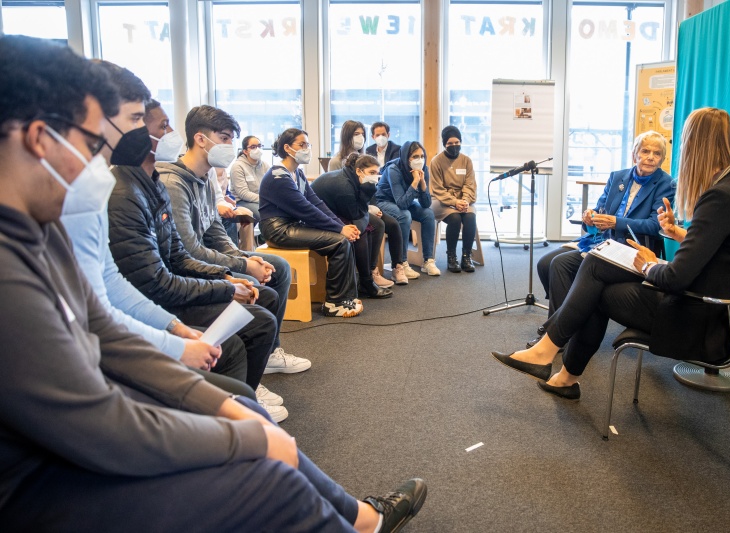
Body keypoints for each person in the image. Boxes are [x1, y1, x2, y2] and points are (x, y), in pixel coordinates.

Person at [0, 35, 427, 532]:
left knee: (242, 412)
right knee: (268, 475)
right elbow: (95, 421)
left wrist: (220, 406)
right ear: (37, 139)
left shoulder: (40, 232)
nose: (99, 165)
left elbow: (105, 331)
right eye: (92, 145)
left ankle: (362, 521)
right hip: (35, 482)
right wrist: (243, 438)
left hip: (70, 440)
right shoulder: (13, 266)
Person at [492, 107, 730, 401]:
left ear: (695, 146)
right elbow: (721, 250)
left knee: (596, 277)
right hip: (716, 310)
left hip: (695, 316)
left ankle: (550, 356)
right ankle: (558, 370)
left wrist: (650, 266)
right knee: (596, 267)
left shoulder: (719, 197)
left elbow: (675, 278)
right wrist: (679, 234)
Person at [59, 65, 255, 402]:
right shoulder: (109, 191)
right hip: (90, 364)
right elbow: (106, 307)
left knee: (244, 404)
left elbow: (110, 283)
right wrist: (175, 340)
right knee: (240, 400)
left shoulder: (103, 183)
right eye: (136, 118)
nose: (148, 130)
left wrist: (175, 329)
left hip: (114, 334)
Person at [105, 94, 279, 412]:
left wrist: (233, 272)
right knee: (247, 331)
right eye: (164, 126)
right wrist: (228, 282)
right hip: (158, 301)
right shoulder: (129, 192)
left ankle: (242, 402)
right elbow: (156, 280)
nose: (171, 134)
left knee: (259, 303)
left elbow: (180, 254)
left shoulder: (152, 185)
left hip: (169, 288)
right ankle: (238, 408)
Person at [157, 104, 311, 381]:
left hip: (203, 257)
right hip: (187, 269)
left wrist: (247, 258)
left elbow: (216, 233)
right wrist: (242, 265)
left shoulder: (204, 179)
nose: (230, 145)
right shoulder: (174, 183)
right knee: (262, 290)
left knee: (277, 266)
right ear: (201, 139)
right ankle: (252, 366)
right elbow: (188, 250)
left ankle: (270, 353)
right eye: (225, 138)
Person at [528, 130, 675, 348]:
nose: (650, 157)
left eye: (657, 153)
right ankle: (568, 323)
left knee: (560, 264)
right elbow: (600, 210)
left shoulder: (666, 184)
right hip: (602, 242)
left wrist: (617, 222)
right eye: (645, 151)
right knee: (545, 263)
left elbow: (655, 226)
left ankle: (556, 334)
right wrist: (590, 216)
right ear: (635, 154)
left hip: (634, 251)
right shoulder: (618, 177)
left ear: (662, 159)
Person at [259, 128, 364, 317]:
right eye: (302, 144)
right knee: (339, 242)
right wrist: (340, 228)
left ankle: (344, 297)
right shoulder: (278, 176)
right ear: (287, 147)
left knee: (342, 238)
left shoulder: (297, 174)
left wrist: (342, 226)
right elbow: (306, 210)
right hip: (277, 229)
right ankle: (334, 302)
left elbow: (317, 203)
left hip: (291, 225)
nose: (307, 148)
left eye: (308, 145)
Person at [312, 153, 393, 299]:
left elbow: (361, 212)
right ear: (358, 171)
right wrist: (367, 192)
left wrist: (366, 199)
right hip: (318, 217)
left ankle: (369, 272)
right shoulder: (345, 186)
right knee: (359, 233)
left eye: (377, 173)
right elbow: (357, 214)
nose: (375, 177)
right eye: (371, 173)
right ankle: (366, 282)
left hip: (335, 209)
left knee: (378, 225)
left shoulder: (354, 178)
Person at [375, 140, 441, 277]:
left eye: (422, 156)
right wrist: (415, 181)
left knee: (428, 214)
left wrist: (422, 184)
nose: (420, 160)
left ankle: (428, 261)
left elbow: (426, 204)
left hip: (404, 201)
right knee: (405, 215)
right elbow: (402, 204)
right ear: (406, 157)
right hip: (384, 201)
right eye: (415, 157)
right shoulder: (394, 169)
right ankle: (401, 263)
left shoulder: (424, 170)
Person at [429, 125, 478, 273]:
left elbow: (470, 184)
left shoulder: (467, 161)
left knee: (470, 216)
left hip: (463, 200)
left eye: (457, 142)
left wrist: (465, 201)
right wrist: (454, 202)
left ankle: (466, 256)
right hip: (440, 200)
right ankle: (451, 257)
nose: (454, 146)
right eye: (450, 143)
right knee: (455, 218)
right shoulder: (436, 161)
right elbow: (437, 189)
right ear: (445, 144)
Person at [229, 134, 267, 221]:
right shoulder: (237, 166)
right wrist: (265, 200)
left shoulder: (265, 165)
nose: (257, 149)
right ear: (245, 151)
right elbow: (243, 193)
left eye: (259, 146)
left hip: (261, 200)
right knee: (264, 213)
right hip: (242, 201)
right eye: (253, 147)